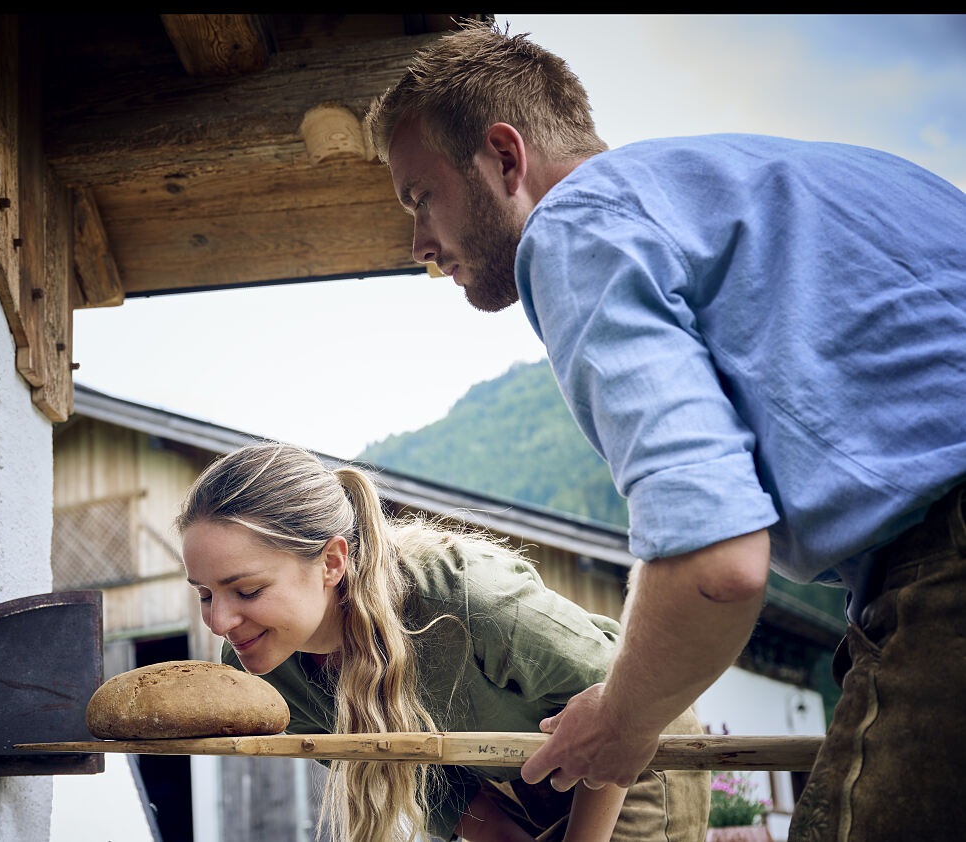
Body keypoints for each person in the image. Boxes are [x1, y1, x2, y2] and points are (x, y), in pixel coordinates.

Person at [366, 21, 966, 842]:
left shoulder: (575, 226)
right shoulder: (834, 175)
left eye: (420, 197)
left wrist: (621, 719)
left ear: (505, 159)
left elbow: (714, 563)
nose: (418, 245)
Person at [176, 442, 710, 842]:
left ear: (332, 562)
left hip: (630, 757)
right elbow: (437, 787)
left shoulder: (469, 599)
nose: (220, 621)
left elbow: (615, 707)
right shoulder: (266, 675)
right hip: (518, 788)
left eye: (246, 590)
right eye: (204, 594)